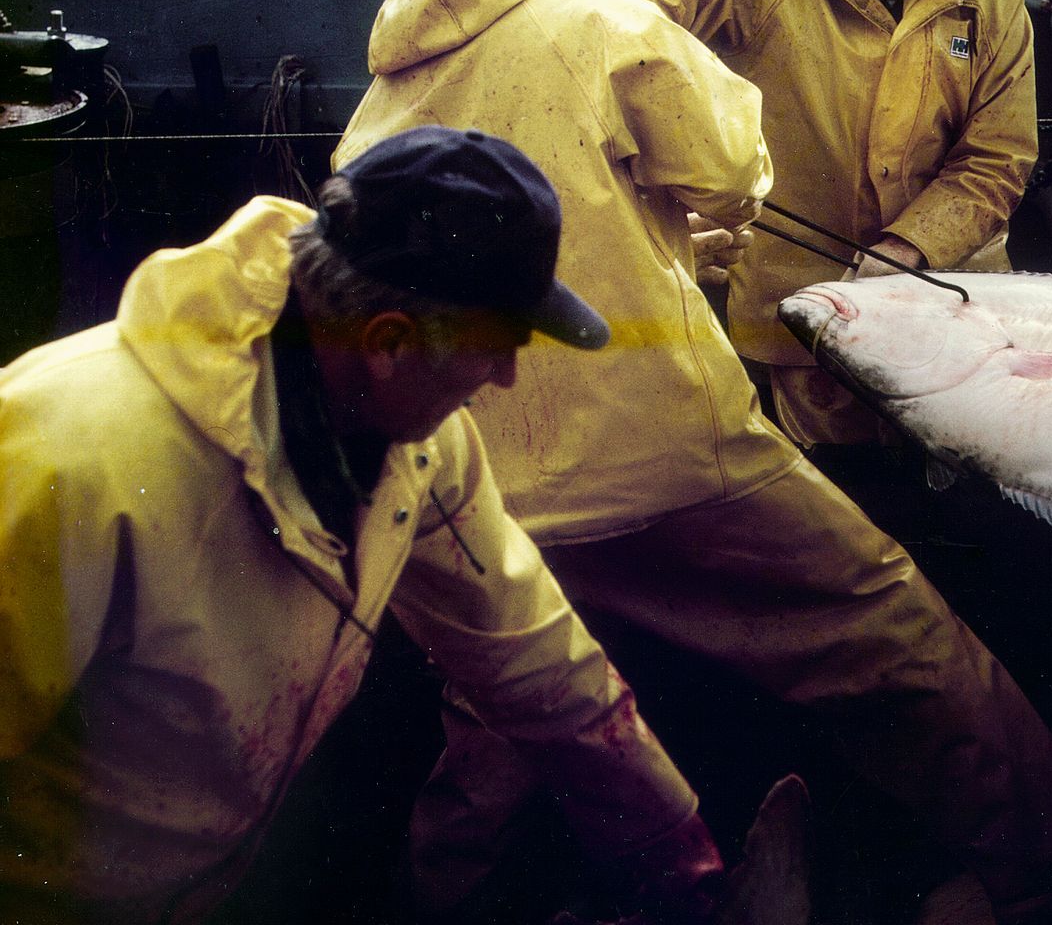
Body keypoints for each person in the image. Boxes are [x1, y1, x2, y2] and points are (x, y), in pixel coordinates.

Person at [332, 0, 1052, 921]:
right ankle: (1048, 857)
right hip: (667, 450)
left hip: (483, 477)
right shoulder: (620, 20)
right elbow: (732, 172)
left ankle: (440, 907)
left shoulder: (382, 93)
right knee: (880, 618)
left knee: (498, 718)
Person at [0, 126, 723, 924]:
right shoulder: (66, 460)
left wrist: (675, 848)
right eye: (500, 348)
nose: (510, 378)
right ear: (388, 343)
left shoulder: (419, 441)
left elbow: (534, 656)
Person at [603, 0, 1039, 449]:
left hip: (947, 306)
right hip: (791, 319)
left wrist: (909, 249)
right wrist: (682, 141)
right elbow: (607, 20)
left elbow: (998, 158)